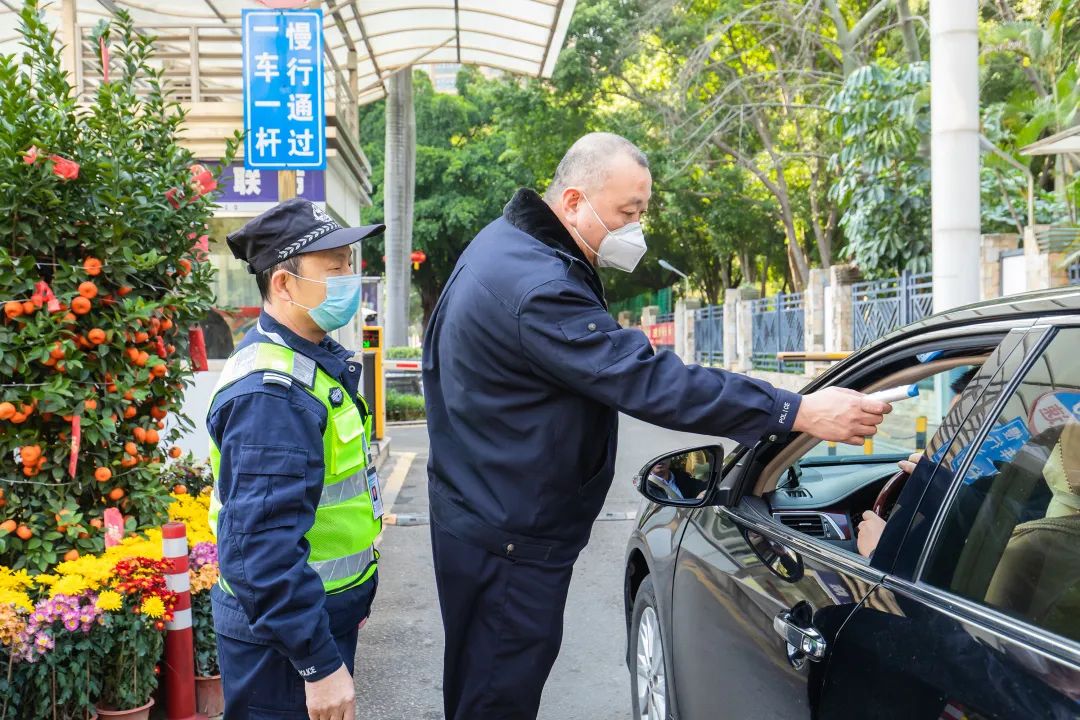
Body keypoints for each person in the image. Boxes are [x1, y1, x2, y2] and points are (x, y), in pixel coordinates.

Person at [422, 132, 891, 720]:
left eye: (641, 211)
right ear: (572, 201)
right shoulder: (537, 286)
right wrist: (796, 411)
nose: (635, 229)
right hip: (507, 535)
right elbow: (649, 382)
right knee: (495, 696)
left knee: (483, 688)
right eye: (626, 213)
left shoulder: (508, 248)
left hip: (483, 510)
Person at [205, 198, 386, 720]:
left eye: (349, 265)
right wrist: (317, 663)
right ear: (283, 284)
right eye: (334, 270)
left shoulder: (309, 357)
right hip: (281, 646)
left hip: (311, 620)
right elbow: (263, 548)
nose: (349, 279)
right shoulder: (272, 395)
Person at [857, 366, 981, 558]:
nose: (947, 439)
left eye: (961, 428)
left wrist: (880, 551)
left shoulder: (1017, 493)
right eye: (947, 425)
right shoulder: (1008, 486)